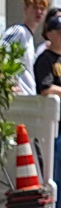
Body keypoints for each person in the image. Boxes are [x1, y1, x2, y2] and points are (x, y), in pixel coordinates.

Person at [2, 0, 51, 96]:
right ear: (26, 9)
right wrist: (8, 83)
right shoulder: (19, 31)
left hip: (29, 95)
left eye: (42, 9)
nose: (39, 12)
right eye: (35, 8)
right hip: (18, 96)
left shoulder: (29, 37)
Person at [33, 13, 61, 185]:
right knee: (56, 166)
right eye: (59, 32)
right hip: (55, 124)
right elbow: (46, 88)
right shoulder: (45, 59)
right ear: (48, 34)